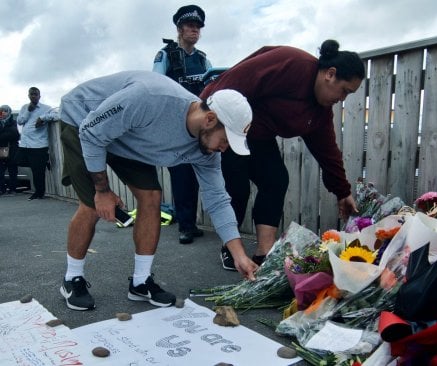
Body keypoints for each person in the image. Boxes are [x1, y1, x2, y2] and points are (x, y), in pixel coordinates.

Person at [57, 70, 258, 311]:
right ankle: (72, 278)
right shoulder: (149, 98)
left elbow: (217, 199)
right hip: (83, 122)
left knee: (151, 196)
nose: (225, 149)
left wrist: (238, 254)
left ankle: (141, 282)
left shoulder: (207, 152)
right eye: (226, 140)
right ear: (209, 119)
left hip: (128, 135)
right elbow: (91, 131)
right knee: (91, 204)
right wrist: (102, 191)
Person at [200, 39, 365, 271]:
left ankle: (263, 254)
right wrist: (205, 123)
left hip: (260, 137)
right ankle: (231, 248)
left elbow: (327, 151)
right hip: (229, 129)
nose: (342, 99)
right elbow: (231, 84)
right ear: (330, 73)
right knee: (237, 188)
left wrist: (343, 191)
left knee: (276, 179)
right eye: (344, 91)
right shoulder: (292, 64)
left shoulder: (320, 113)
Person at [153, 5, 212, 245]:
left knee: (196, 175)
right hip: (175, 125)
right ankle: (185, 226)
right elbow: (156, 84)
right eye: (190, 26)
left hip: (199, 127)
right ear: (179, 29)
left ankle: (191, 223)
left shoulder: (202, 58)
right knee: (180, 176)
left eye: (198, 27)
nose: (194, 30)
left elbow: (213, 85)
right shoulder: (165, 54)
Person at [16, 87, 53, 200]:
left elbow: (57, 115)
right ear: (28, 96)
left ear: (39, 96)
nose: (33, 96)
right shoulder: (24, 107)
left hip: (38, 144)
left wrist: (43, 118)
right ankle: (44, 162)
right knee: (18, 161)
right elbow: (20, 121)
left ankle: (39, 193)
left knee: (38, 171)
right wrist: (28, 110)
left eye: (35, 94)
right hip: (26, 144)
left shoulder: (46, 108)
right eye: (31, 94)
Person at [0, 105, 20, 195]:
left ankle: (13, 189)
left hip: (12, 149)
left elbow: (15, 134)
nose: (3, 113)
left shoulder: (13, 122)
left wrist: (3, 134)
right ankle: (2, 189)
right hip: (1, 149)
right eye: (1, 111)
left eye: (5, 111)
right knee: (0, 170)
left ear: (9, 112)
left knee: (12, 170)